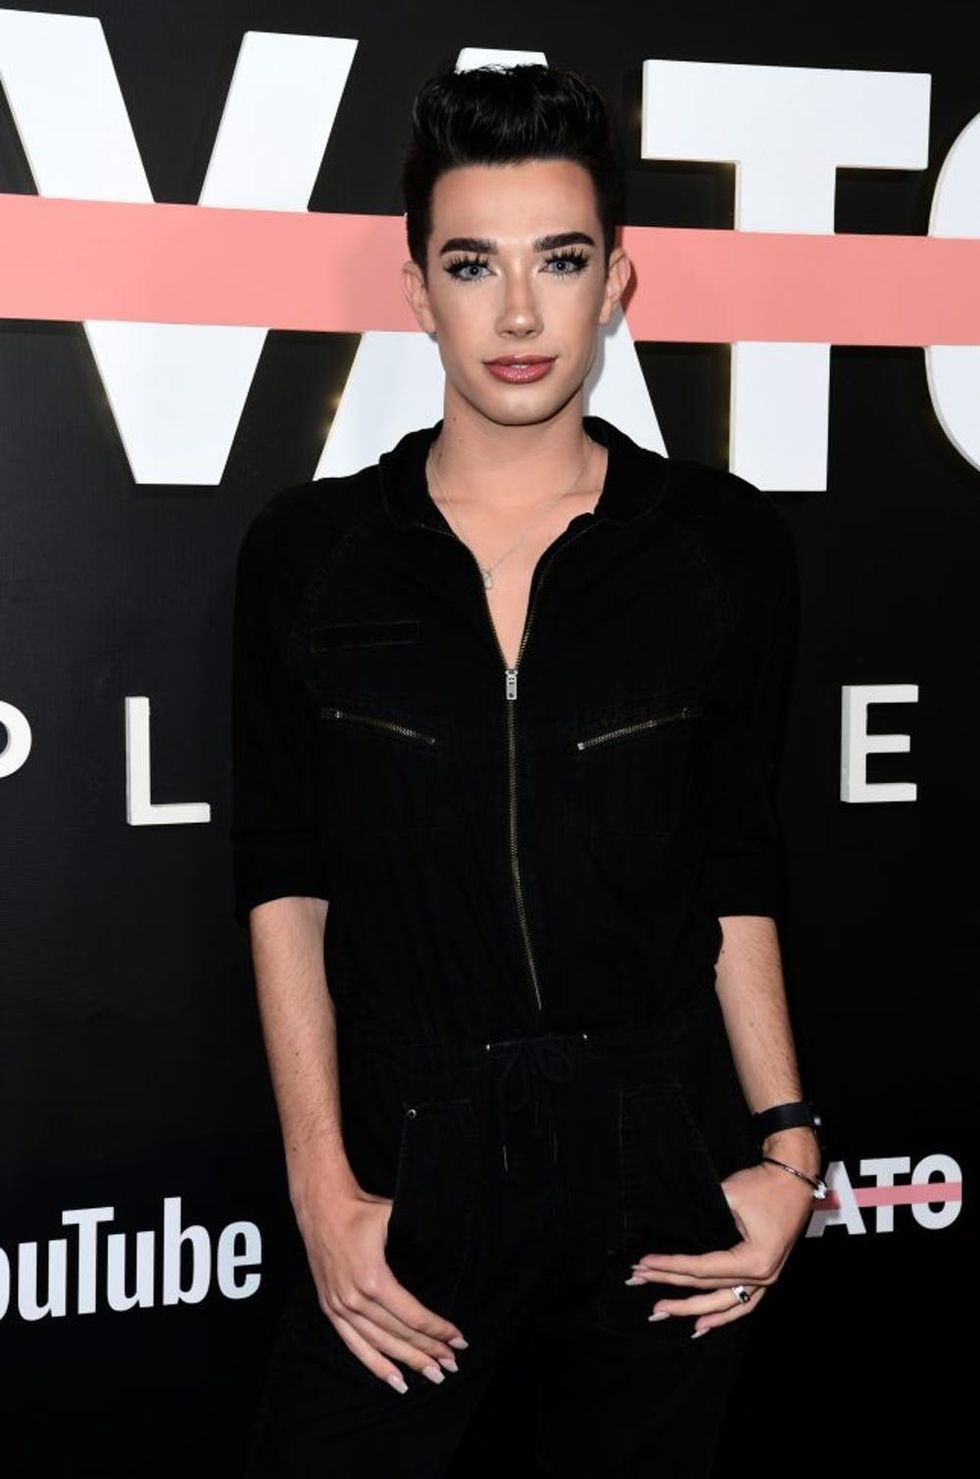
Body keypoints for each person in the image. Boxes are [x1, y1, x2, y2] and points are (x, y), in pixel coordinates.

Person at [230, 61, 826, 1479]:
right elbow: (283, 879)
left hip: (656, 1175)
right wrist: (323, 1192)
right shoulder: (311, 558)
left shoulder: (718, 550)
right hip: (411, 1170)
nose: (515, 314)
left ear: (618, 280)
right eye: (471, 264)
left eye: (558, 261)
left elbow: (734, 863)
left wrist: (789, 1152)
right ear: (415, 287)